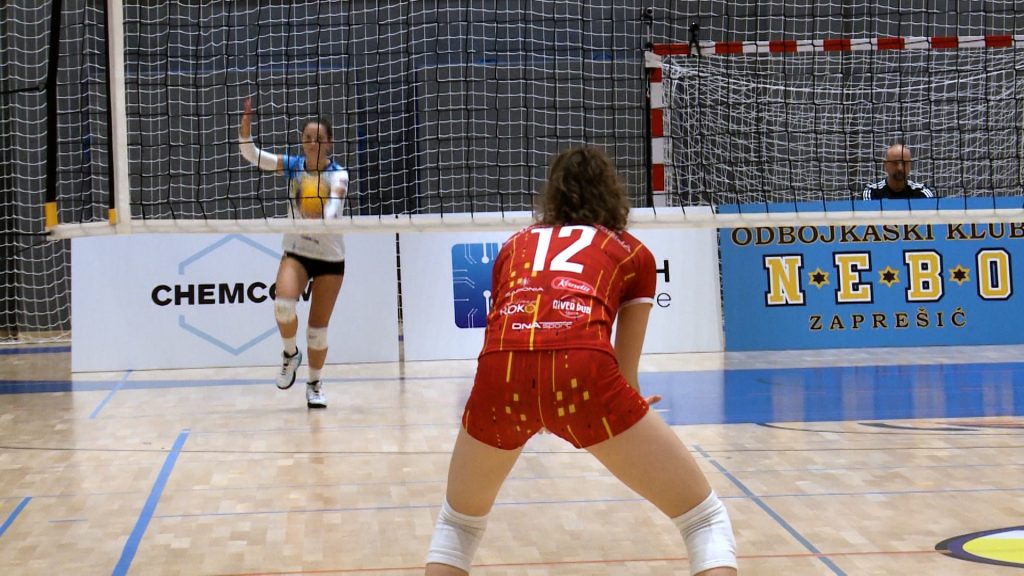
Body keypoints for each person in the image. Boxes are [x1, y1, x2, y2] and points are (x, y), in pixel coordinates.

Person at [424, 147, 738, 576]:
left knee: (457, 526)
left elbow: (504, 331)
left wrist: (535, 402)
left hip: (501, 375)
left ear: (552, 194)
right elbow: (625, 373)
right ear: (613, 193)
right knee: (704, 521)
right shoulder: (633, 252)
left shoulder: (514, 245)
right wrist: (627, 404)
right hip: (584, 375)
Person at [238, 98, 349, 409]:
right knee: (284, 307)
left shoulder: (339, 175)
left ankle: (315, 383)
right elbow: (252, 155)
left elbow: (334, 208)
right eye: (308, 138)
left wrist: (322, 217)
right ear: (302, 141)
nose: (313, 143)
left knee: (317, 332)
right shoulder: (293, 166)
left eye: (319, 138)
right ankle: (290, 354)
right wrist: (245, 133)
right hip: (297, 251)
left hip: (330, 257)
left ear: (329, 143)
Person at [862, 143, 935, 199]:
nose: (900, 168)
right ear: (885, 165)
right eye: (895, 163)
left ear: (910, 165)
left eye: (904, 163)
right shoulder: (871, 192)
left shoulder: (922, 192)